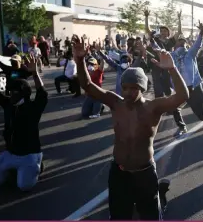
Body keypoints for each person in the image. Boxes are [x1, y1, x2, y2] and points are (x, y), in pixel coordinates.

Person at [72, 34, 189, 220]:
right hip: (119, 173)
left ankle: (159, 196)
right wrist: (79, 60)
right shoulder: (115, 102)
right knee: (119, 216)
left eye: (134, 88)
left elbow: (182, 97)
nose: (128, 92)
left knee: (150, 216)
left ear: (142, 88)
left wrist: (172, 69)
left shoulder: (153, 107)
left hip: (144, 173)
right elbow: (87, 85)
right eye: (125, 87)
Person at [0, 53, 48, 191]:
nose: (10, 95)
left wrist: (35, 73)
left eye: (14, 92)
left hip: (29, 155)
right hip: (11, 153)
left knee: (23, 186)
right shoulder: (8, 105)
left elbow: (42, 93)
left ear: (22, 93)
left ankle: (38, 164)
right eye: (10, 92)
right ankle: (15, 170)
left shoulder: (32, 108)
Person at [152, 21, 203, 134]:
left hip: (195, 88)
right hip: (180, 88)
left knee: (201, 114)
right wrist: (152, 39)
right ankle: (182, 127)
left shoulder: (190, 54)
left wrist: (201, 32)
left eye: (184, 44)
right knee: (175, 107)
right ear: (175, 46)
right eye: (179, 43)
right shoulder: (171, 56)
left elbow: (197, 44)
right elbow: (157, 49)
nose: (182, 45)